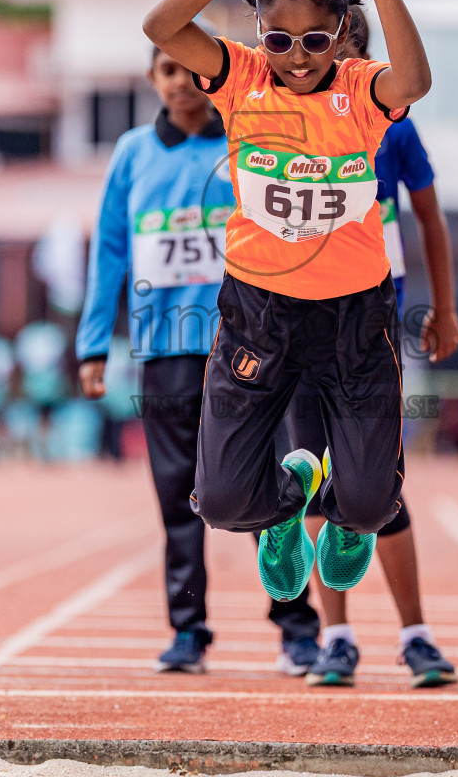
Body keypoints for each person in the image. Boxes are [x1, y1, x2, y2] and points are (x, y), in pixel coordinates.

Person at [143, 0, 432, 603]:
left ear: (341, 34)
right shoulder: (238, 79)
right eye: (280, 40)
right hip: (258, 310)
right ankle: (287, 507)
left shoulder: (365, 92)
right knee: (219, 502)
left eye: (315, 41)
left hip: (353, 317)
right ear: (260, 34)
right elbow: (160, 26)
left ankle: (342, 517)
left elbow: (415, 81)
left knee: (371, 506)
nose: (297, 58)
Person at [75, 44, 322, 675]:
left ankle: (296, 627)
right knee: (176, 495)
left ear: (212, 77)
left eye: (192, 70)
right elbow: (108, 250)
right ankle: (188, 631)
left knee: (263, 482)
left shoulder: (244, 140)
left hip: (245, 347)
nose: (182, 82)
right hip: (162, 349)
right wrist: (94, 344)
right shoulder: (131, 154)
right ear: (152, 78)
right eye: (167, 71)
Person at [284, 5, 458, 688]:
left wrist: (443, 308)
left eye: (354, 46)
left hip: (372, 322)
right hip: (295, 320)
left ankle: (415, 633)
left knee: (376, 484)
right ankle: (335, 636)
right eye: (327, 47)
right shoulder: (280, 120)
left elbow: (430, 217)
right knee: (315, 477)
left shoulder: (392, 126)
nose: (339, 61)